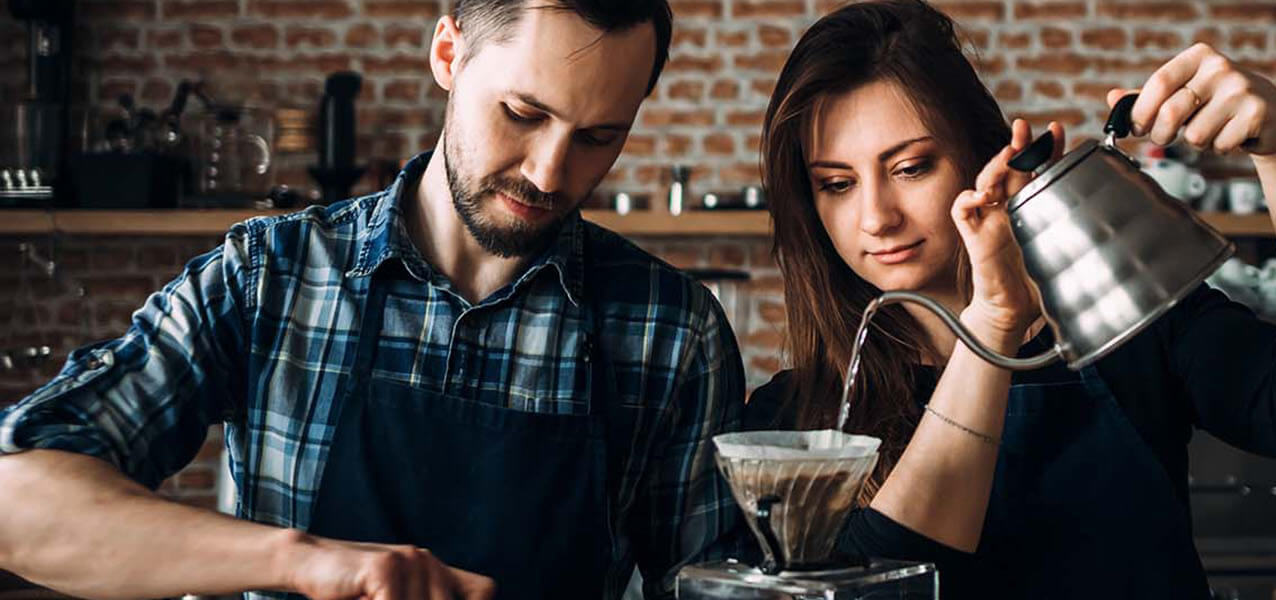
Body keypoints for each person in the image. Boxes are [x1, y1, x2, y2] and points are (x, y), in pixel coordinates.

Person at [0, 1, 746, 598]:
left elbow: (715, 589)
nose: (550, 173)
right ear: (448, 54)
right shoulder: (270, 278)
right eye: (522, 115)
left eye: (599, 137)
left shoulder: (670, 331)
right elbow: (16, 504)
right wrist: (304, 563)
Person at [746, 1, 1276, 597]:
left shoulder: (1130, 329)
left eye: (910, 168)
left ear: (983, 156)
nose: (875, 217)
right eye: (836, 183)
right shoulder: (793, 421)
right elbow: (877, 587)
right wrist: (994, 324)